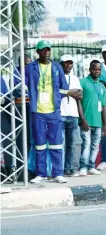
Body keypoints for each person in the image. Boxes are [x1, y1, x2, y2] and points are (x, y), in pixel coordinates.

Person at [26, 40, 69, 184]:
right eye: (43, 50)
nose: (46, 52)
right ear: (37, 52)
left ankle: (57, 173)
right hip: (37, 111)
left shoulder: (56, 67)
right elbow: (24, 86)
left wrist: (57, 98)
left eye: (48, 50)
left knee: (56, 143)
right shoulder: (31, 67)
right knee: (39, 144)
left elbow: (64, 87)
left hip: (53, 111)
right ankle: (41, 174)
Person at [77, 60, 106, 176]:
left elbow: (104, 106)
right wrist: (82, 119)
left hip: (98, 122)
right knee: (86, 144)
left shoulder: (101, 86)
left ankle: (91, 166)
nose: (97, 71)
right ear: (90, 70)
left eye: (99, 69)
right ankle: (83, 167)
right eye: (94, 69)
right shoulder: (83, 82)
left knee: (95, 146)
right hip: (86, 121)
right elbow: (78, 102)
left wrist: (104, 124)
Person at [60, 55, 83, 177]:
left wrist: (66, 92)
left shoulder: (75, 78)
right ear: (61, 64)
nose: (69, 65)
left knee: (72, 144)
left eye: (70, 63)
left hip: (73, 114)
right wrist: (71, 91)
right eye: (66, 63)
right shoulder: (57, 77)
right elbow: (57, 93)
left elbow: (80, 95)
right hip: (61, 113)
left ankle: (70, 168)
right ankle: (60, 169)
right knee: (60, 144)